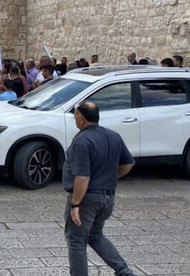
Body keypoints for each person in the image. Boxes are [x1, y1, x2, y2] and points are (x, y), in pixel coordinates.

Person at [63, 101, 135, 276]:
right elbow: (128, 163)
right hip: (108, 197)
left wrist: (75, 204)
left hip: (87, 199)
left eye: (75, 116)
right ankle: (124, 271)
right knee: (95, 235)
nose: (74, 119)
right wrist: (111, 177)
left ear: (81, 119)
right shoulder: (113, 136)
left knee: (76, 241)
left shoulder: (82, 141)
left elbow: (82, 176)